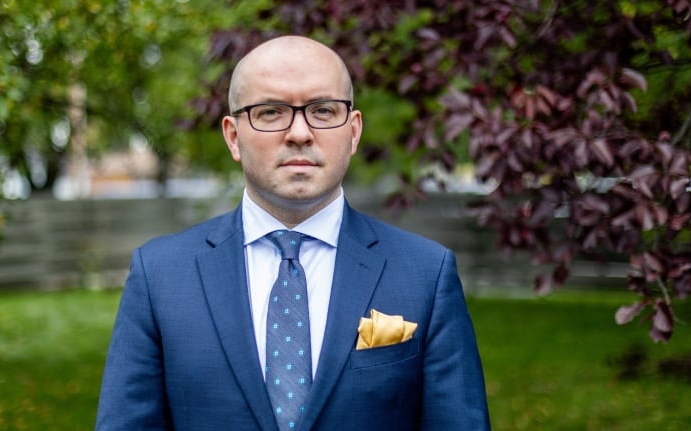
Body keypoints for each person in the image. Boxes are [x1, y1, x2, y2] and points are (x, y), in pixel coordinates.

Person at [95, 35, 491, 431]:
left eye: (322, 110)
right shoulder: (160, 275)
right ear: (234, 136)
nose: (300, 132)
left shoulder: (426, 273)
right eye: (270, 112)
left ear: (353, 133)